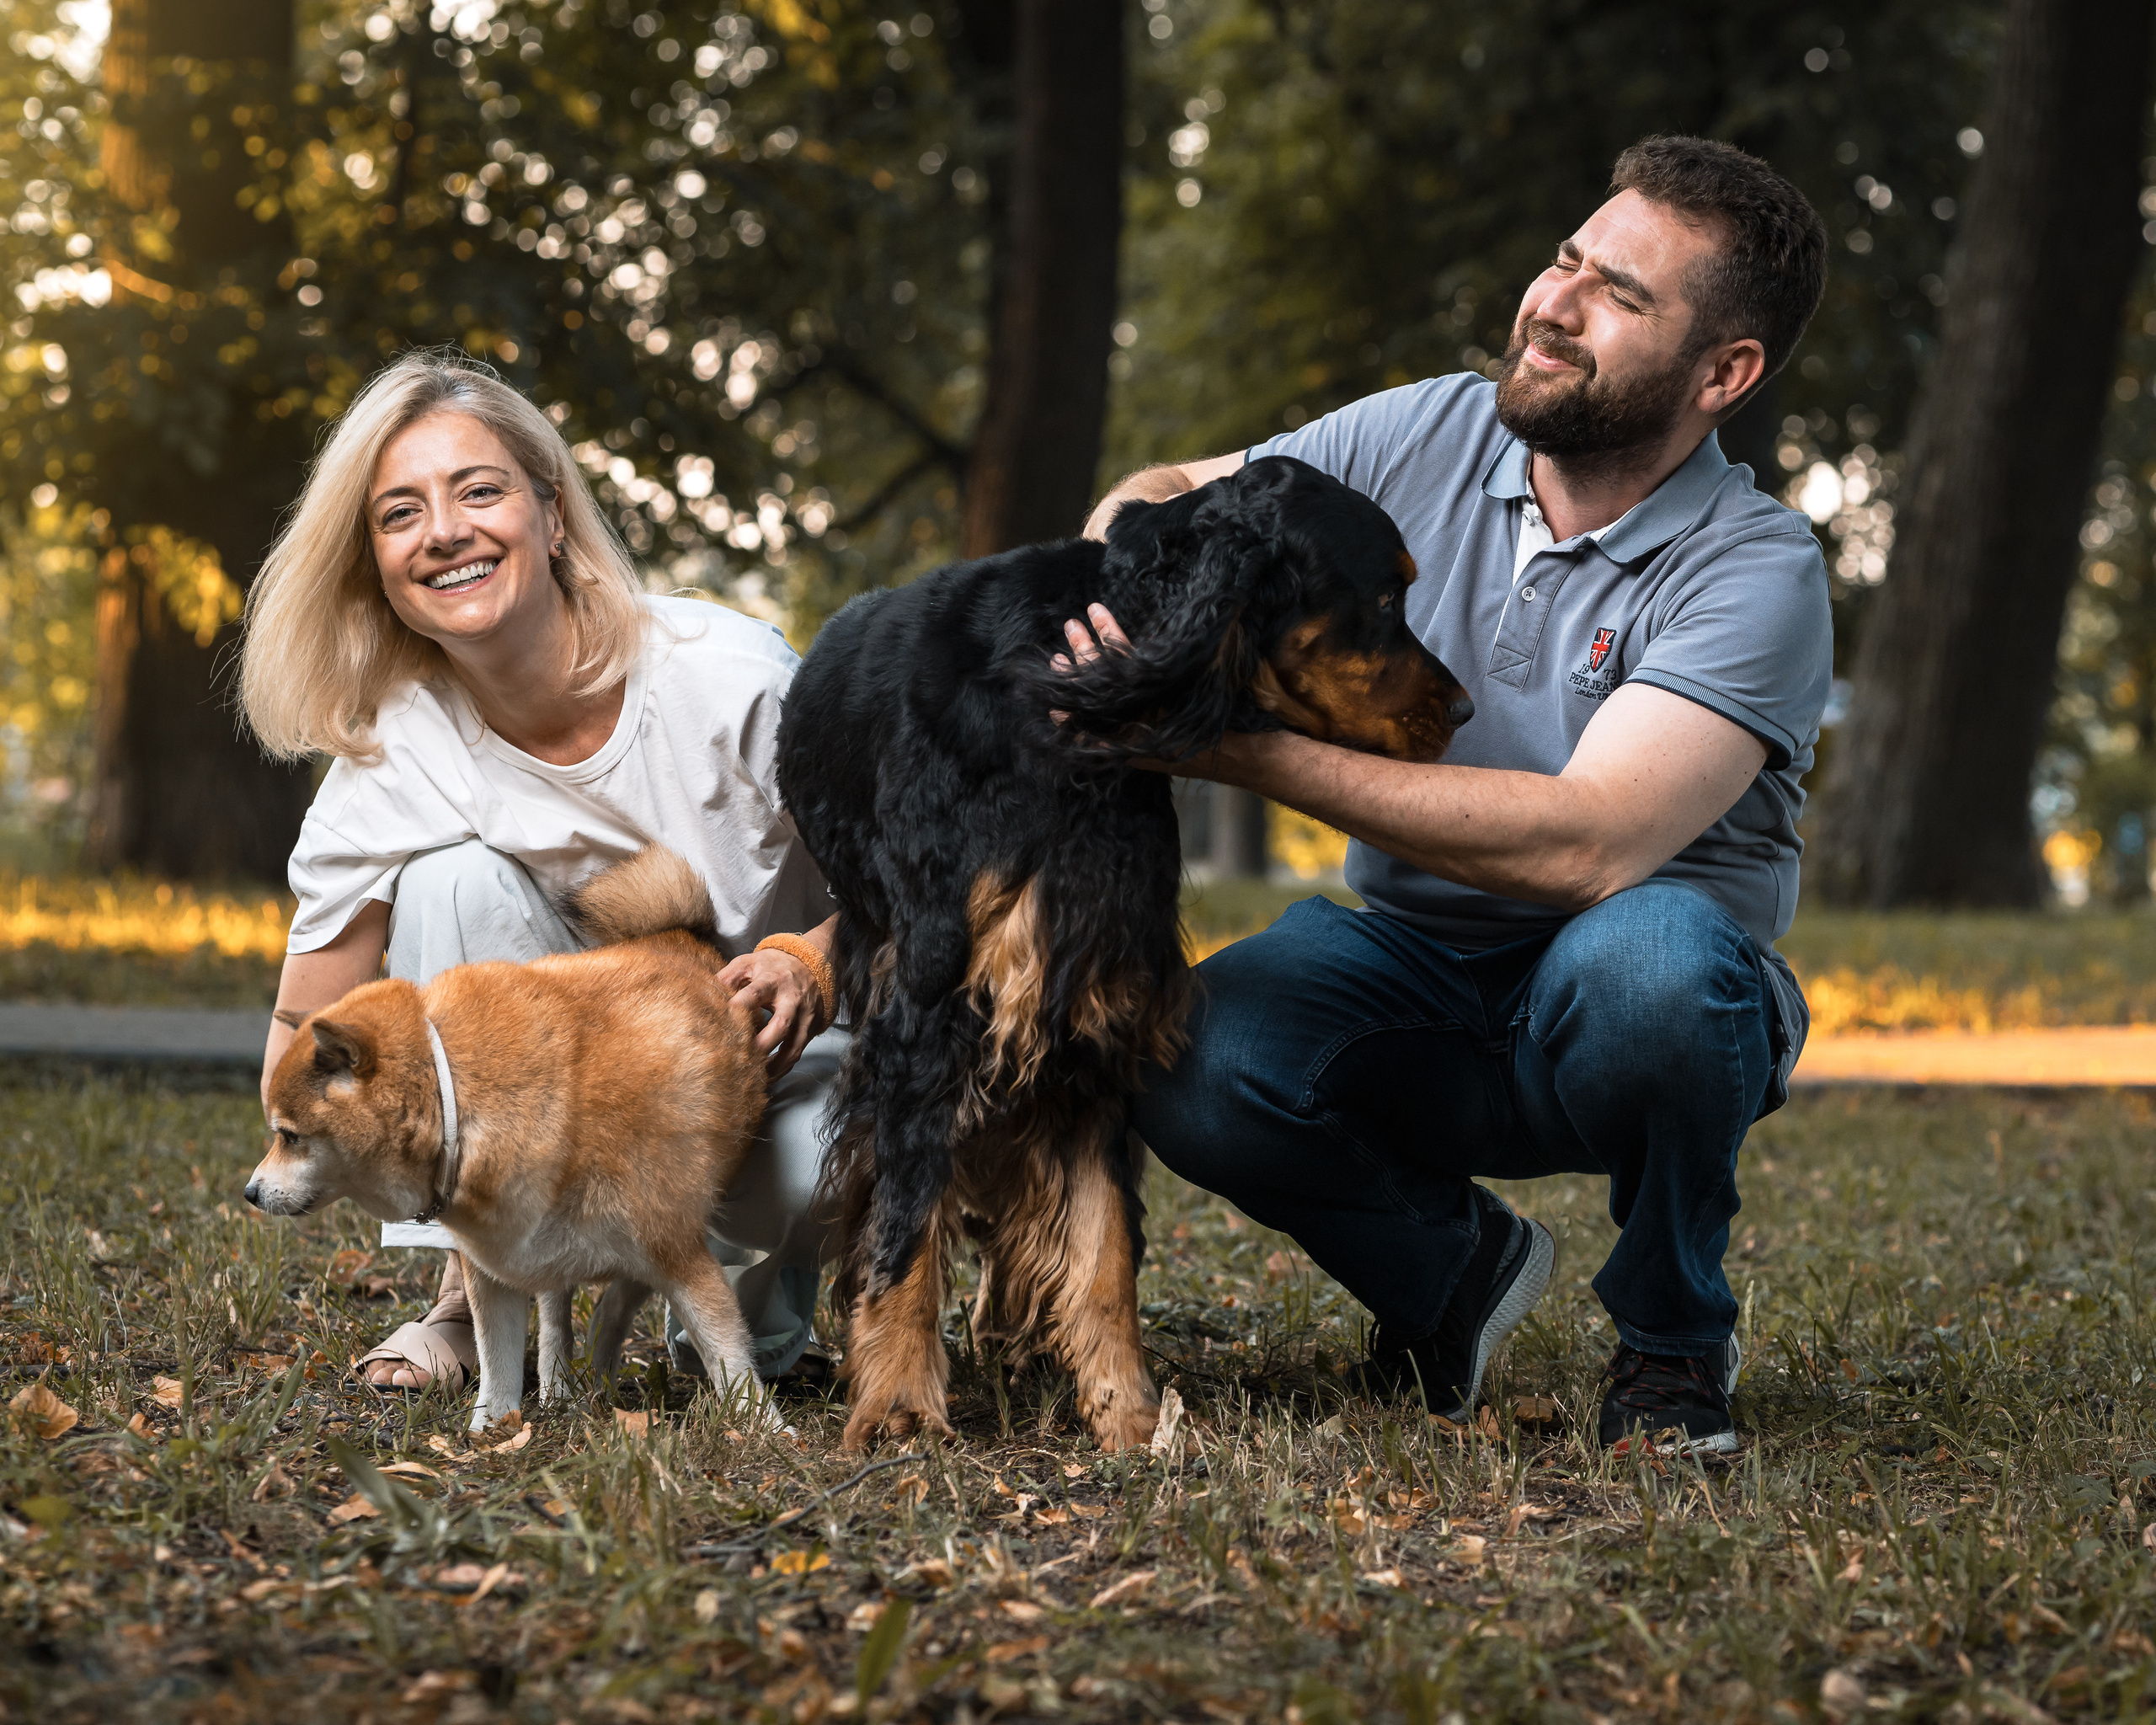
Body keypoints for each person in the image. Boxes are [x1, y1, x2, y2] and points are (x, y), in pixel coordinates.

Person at [1073, 136, 1833, 1455]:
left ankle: (1670, 1353)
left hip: (1624, 990)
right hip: (1401, 965)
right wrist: (1126, 597)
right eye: (1567, 259)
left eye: (1621, 296)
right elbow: (1169, 496)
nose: (1555, 301)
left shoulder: (1756, 568)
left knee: (1656, 967)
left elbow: (1588, 849)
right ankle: (1450, 1276)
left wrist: (1236, 748)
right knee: (1179, 1045)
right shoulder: (1426, 425)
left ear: (1726, 374)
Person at [238, 350, 842, 1396]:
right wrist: (375, 1129)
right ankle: (475, 1301)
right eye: (399, 512)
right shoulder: (393, 749)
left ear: (551, 515)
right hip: (571, 1107)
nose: (445, 531)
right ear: (375, 560)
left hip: (787, 1058)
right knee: (452, 886)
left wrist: (806, 961)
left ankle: (763, 1319)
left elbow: (926, 894)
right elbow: (302, 1040)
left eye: (479, 490)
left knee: (796, 1208)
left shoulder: (731, 679)